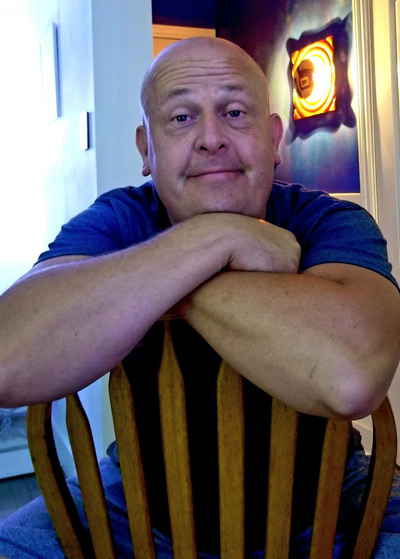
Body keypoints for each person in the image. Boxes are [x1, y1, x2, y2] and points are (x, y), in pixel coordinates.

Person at [0, 36, 399, 559]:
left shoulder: (329, 220)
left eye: (235, 112)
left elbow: (351, 375)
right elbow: (10, 358)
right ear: (147, 149)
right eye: (182, 118)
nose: (212, 138)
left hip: (330, 501)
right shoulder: (116, 218)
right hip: (133, 502)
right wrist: (216, 239)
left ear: (273, 138)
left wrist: (157, 280)